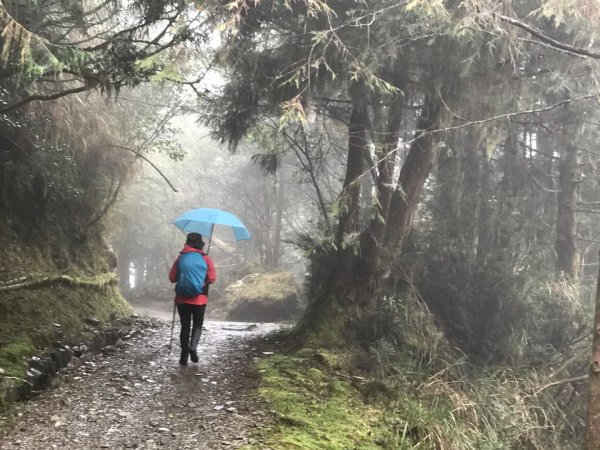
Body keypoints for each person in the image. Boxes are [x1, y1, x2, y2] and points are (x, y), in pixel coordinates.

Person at [168, 232, 216, 365]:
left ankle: (183, 357)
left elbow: (172, 278)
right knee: (197, 324)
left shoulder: (181, 258)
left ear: (187, 243)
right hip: (199, 298)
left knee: (185, 326)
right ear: (200, 244)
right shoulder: (205, 258)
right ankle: (193, 347)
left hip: (182, 299)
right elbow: (212, 279)